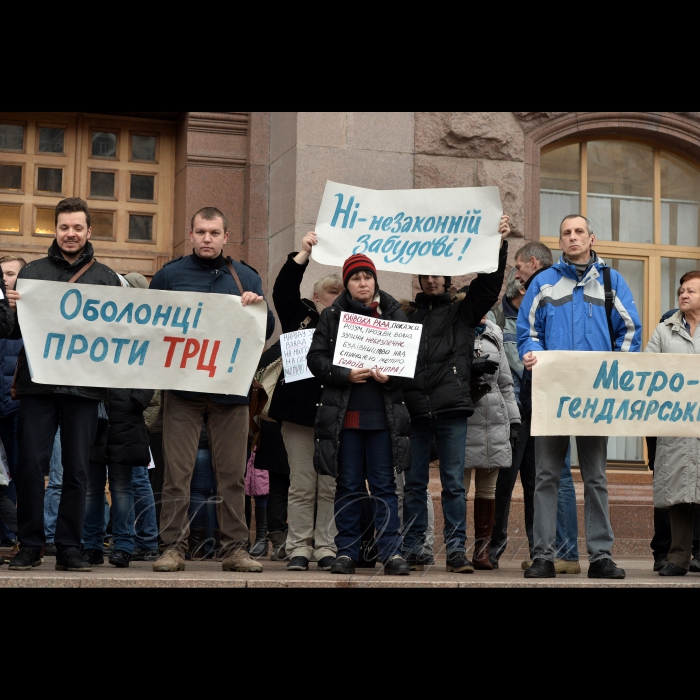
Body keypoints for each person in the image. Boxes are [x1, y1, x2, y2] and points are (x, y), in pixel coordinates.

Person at [149, 206, 275, 574]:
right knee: (177, 472)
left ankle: (234, 549)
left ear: (225, 236)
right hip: (183, 393)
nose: (207, 238)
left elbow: (264, 332)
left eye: (214, 233)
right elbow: (148, 326)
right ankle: (173, 548)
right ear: (191, 235)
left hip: (230, 392)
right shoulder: (170, 275)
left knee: (232, 474)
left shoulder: (246, 277)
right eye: (201, 232)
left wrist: (258, 310)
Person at [518, 215, 642, 579]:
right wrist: (530, 354)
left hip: (594, 395)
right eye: (566, 233)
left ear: (591, 238)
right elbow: (528, 332)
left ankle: (601, 557)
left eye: (578, 232)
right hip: (552, 393)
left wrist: (615, 373)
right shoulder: (543, 282)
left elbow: (630, 331)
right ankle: (543, 556)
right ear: (560, 242)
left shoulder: (611, 281)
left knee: (596, 477)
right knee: (545, 476)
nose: (572, 238)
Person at [8, 198, 122, 573]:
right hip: (37, 388)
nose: (70, 234)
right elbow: (12, 331)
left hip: (84, 390)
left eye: (77, 227)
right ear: (54, 230)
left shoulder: (106, 278)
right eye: (63, 227)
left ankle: (70, 548)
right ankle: (30, 545)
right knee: (29, 467)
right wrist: (7, 308)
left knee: (76, 471)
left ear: (89, 231)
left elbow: (124, 333)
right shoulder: (32, 273)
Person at [400, 215, 510, 573]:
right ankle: (416, 547)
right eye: (425, 274)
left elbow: (489, 286)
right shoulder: (406, 317)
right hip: (415, 409)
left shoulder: (462, 313)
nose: (431, 279)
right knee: (414, 483)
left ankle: (456, 552)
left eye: (437, 274)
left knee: (452, 484)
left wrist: (498, 244)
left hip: (450, 410)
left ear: (447, 278)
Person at [307, 254, 411, 576]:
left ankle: (392, 552)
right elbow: (316, 359)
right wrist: (344, 375)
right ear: (347, 283)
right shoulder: (332, 315)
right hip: (346, 419)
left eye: (367, 277)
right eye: (355, 278)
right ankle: (347, 552)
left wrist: (391, 375)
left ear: (375, 280)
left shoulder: (395, 313)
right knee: (348, 486)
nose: (362, 283)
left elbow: (411, 363)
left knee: (384, 487)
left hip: (384, 420)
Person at [270, 232, 343, 572]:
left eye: (342, 293)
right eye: (333, 292)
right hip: (298, 414)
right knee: (301, 484)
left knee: (329, 485)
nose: (338, 297)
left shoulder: (352, 325)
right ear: (316, 296)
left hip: (335, 416)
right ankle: (299, 546)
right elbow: (282, 289)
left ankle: (326, 546)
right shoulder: (299, 314)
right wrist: (303, 253)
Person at [510, 242, 582, 574]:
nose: (517, 272)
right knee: (550, 474)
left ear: (534, 263)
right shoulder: (549, 287)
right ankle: (552, 551)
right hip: (544, 390)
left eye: (519, 266)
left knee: (556, 473)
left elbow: (541, 336)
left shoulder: (551, 288)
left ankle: (562, 552)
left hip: (556, 389)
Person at [645, 271, 700, 576]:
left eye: (691, 290)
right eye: (681, 290)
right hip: (676, 426)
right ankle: (678, 558)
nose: (683, 294)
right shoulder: (664, 331)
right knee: (679, 494)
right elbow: (647, 371)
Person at [464, 315, 520, 569]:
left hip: (493, 418)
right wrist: (469, 366)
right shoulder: (455, 327)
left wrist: (514, 419)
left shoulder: (494, 333)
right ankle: (455, 548)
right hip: (462, 415)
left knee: (488, 489)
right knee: (458, 489)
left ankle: (482, 552)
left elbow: (506, 383)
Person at [83, 389, 155, 568]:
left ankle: (123, 547)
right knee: (92, 491)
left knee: (121, 488)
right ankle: (92, 547)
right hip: (95, 417)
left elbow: (148, 374)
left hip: (125, 421)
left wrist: (137, 400)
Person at [0, 254, 26, 545]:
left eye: (11, 274)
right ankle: (6, 539)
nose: (5, 279)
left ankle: (26, 537)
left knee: (21, 471)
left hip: (20, 406)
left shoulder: (30, 314)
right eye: (2, 274)